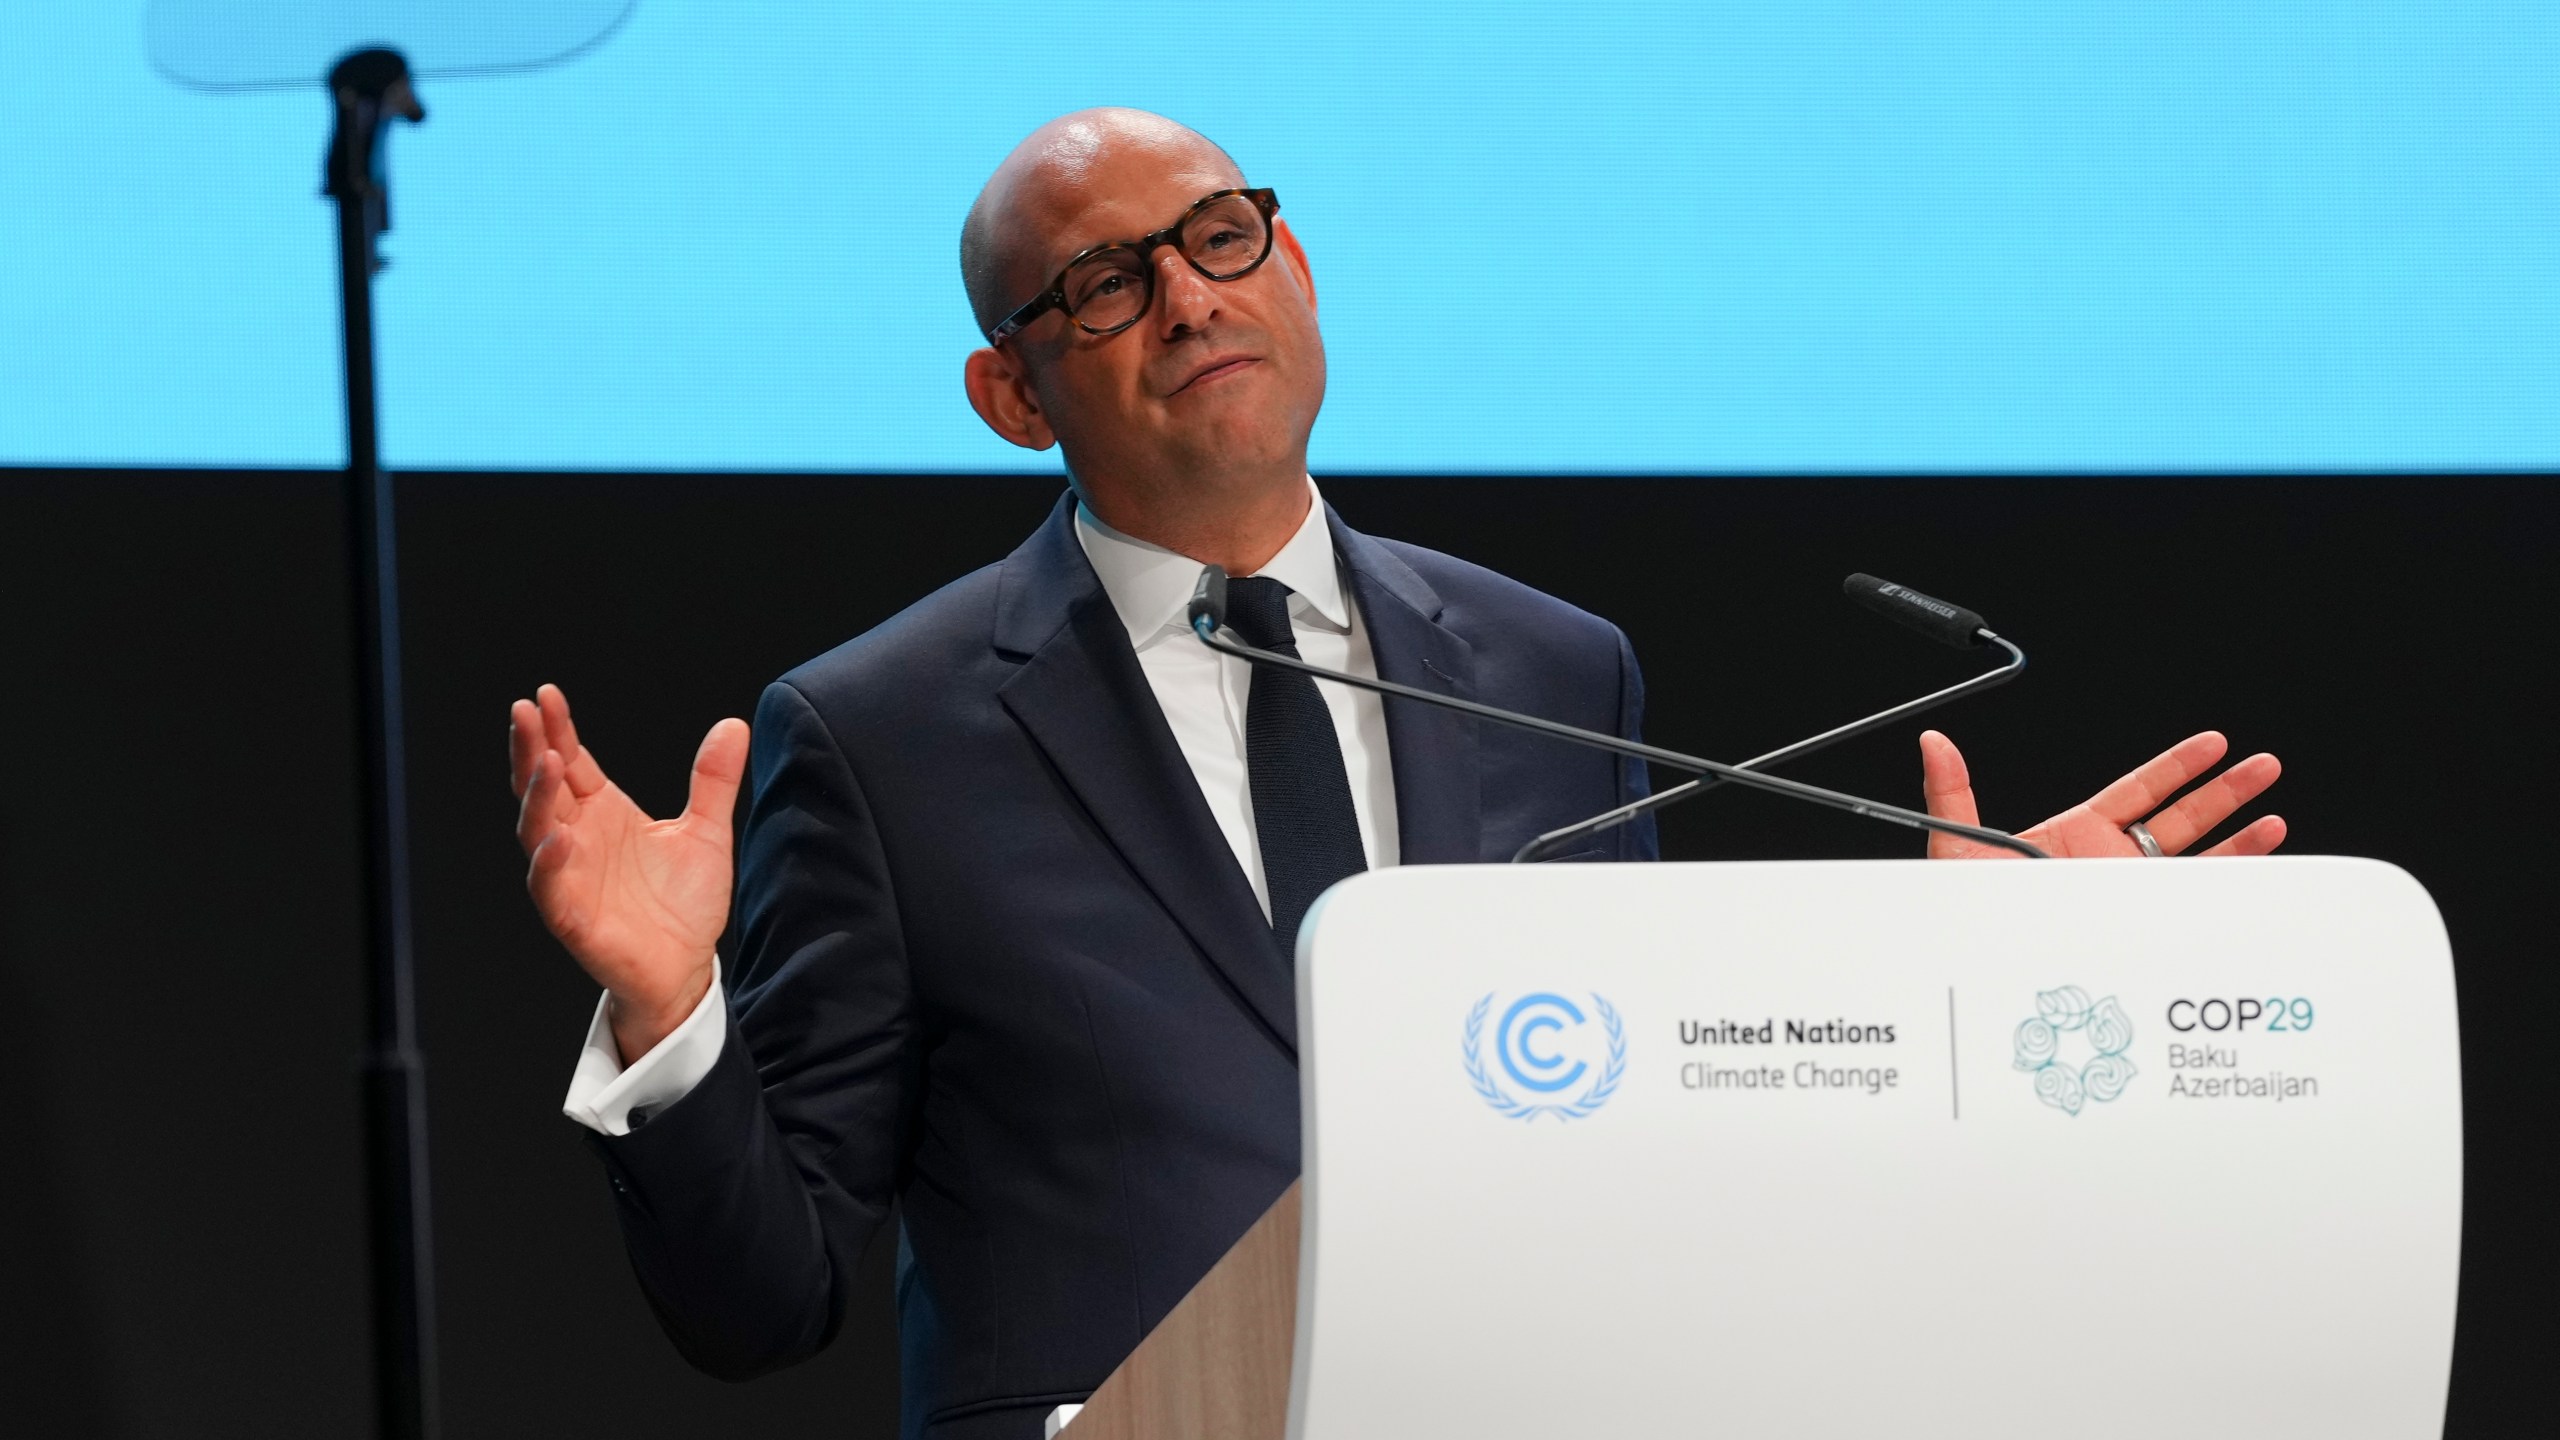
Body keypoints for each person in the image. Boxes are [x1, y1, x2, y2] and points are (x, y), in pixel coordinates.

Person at [508, 108, 2283, 1439]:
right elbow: (771, 1299)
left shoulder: (1548, 666)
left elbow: (1658, 1140)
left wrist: (1934, 993)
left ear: (1298, 269)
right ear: (1012, 393)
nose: (1189, 297)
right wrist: (674, 1022)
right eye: (1110, 281)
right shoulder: (881, 733)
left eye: (1221, 236)